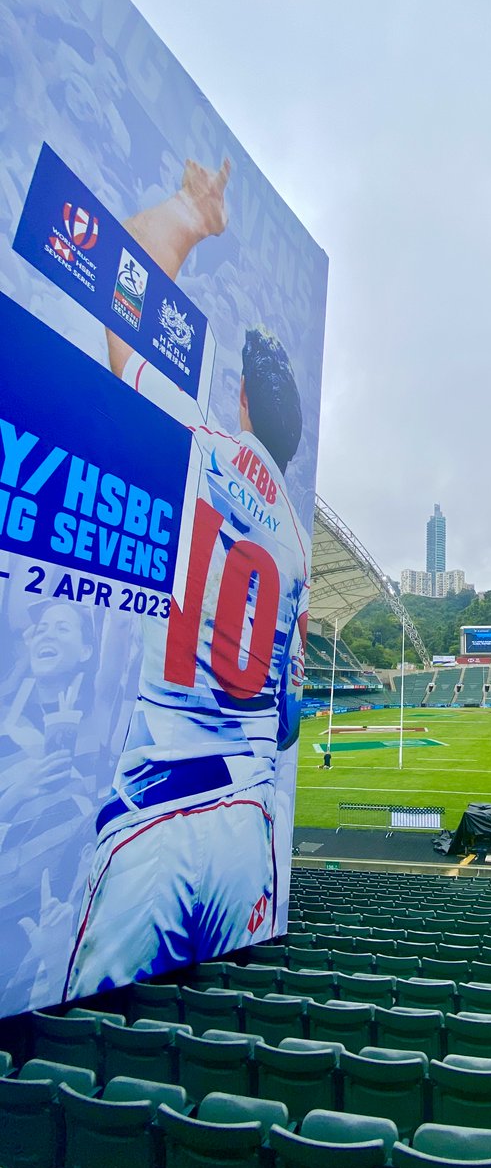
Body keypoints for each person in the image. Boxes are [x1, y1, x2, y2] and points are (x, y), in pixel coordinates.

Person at [64, 157, 309, 999]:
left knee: (88, 1053)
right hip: (245, 824)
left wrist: (186, 212)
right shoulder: (299, 552)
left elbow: (119, 290)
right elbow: (286, 717)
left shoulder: (194, 443)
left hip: (156, 821)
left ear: (240, 398)